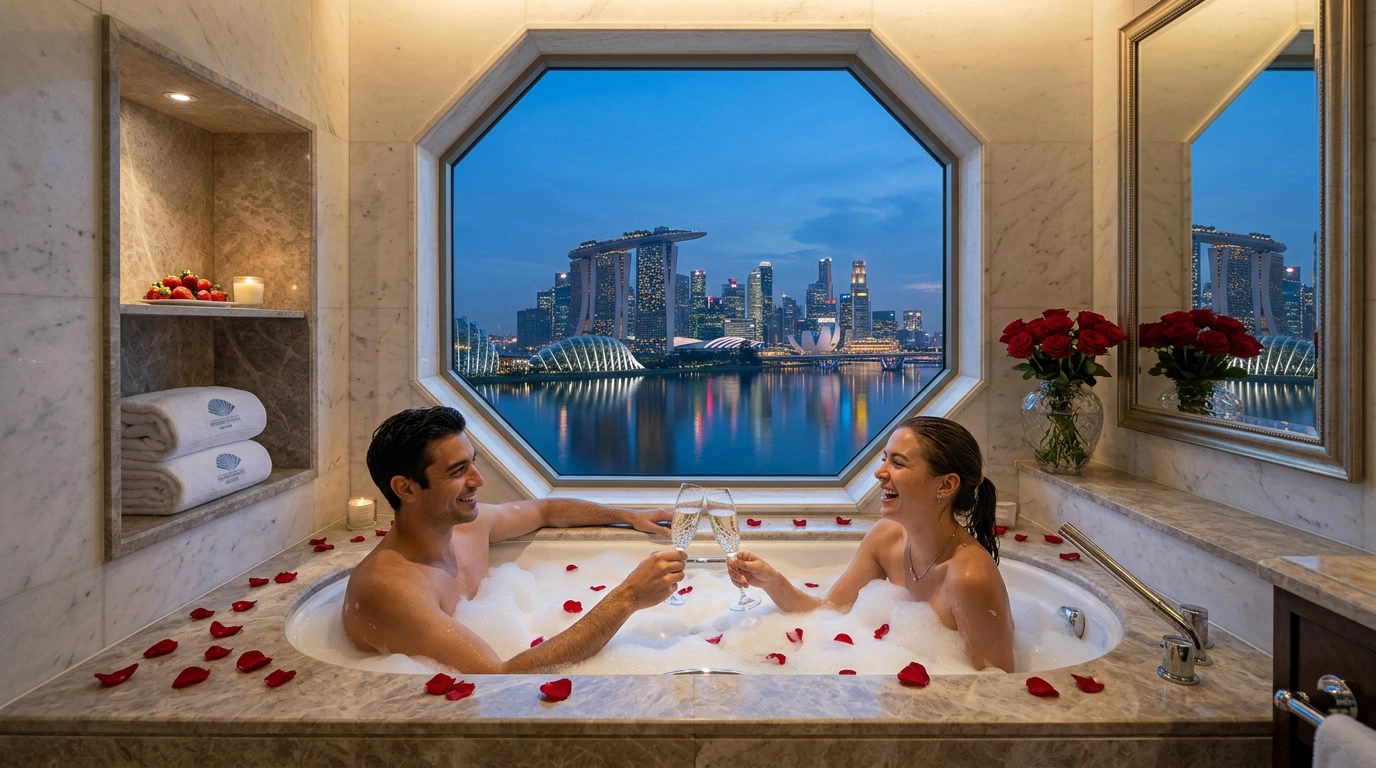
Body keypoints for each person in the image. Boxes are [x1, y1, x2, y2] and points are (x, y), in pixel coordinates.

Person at [342, 406, 686, 673]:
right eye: (458, 470)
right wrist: (628, 598)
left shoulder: (467, 529)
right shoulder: (389, 590)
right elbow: (499, 676)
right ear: (406, 489)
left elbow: (545, 510)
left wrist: (628, 516)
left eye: (472, 463)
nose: (478, 480)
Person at [727, 416, 1014, 671]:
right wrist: (772, 582)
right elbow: (828, 611)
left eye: (898, 463)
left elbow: (996, 689)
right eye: (884, 459)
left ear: (946, 485)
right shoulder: (886, 538)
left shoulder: (969, 577)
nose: (880, 472)